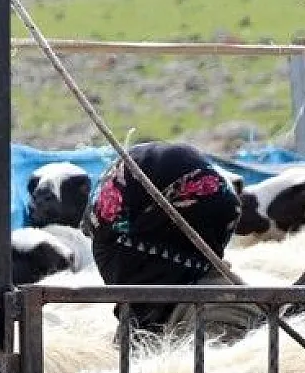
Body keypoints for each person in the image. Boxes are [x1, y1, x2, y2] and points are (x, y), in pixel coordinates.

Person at [83, 141, 266, 346]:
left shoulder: (221, 320)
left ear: (163, 236)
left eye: (112, 240)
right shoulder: (150, 310)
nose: (101, 252)